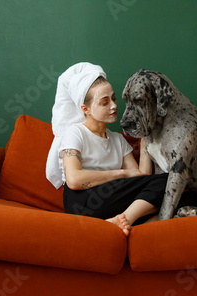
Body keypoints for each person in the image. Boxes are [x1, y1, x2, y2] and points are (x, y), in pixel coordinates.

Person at [50, 63, 168, 235]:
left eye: (113, 99)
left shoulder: (117, 139)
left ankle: (124, 223)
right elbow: (74, 180)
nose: (113, 106)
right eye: (104, 102)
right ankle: (129, 221)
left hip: (112, 201)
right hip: (83, 202)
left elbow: (141, 175)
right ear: (86, 109)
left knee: (175, 186)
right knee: (164, 190)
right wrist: (122, 173)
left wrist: (145, 134)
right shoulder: (75, 133)